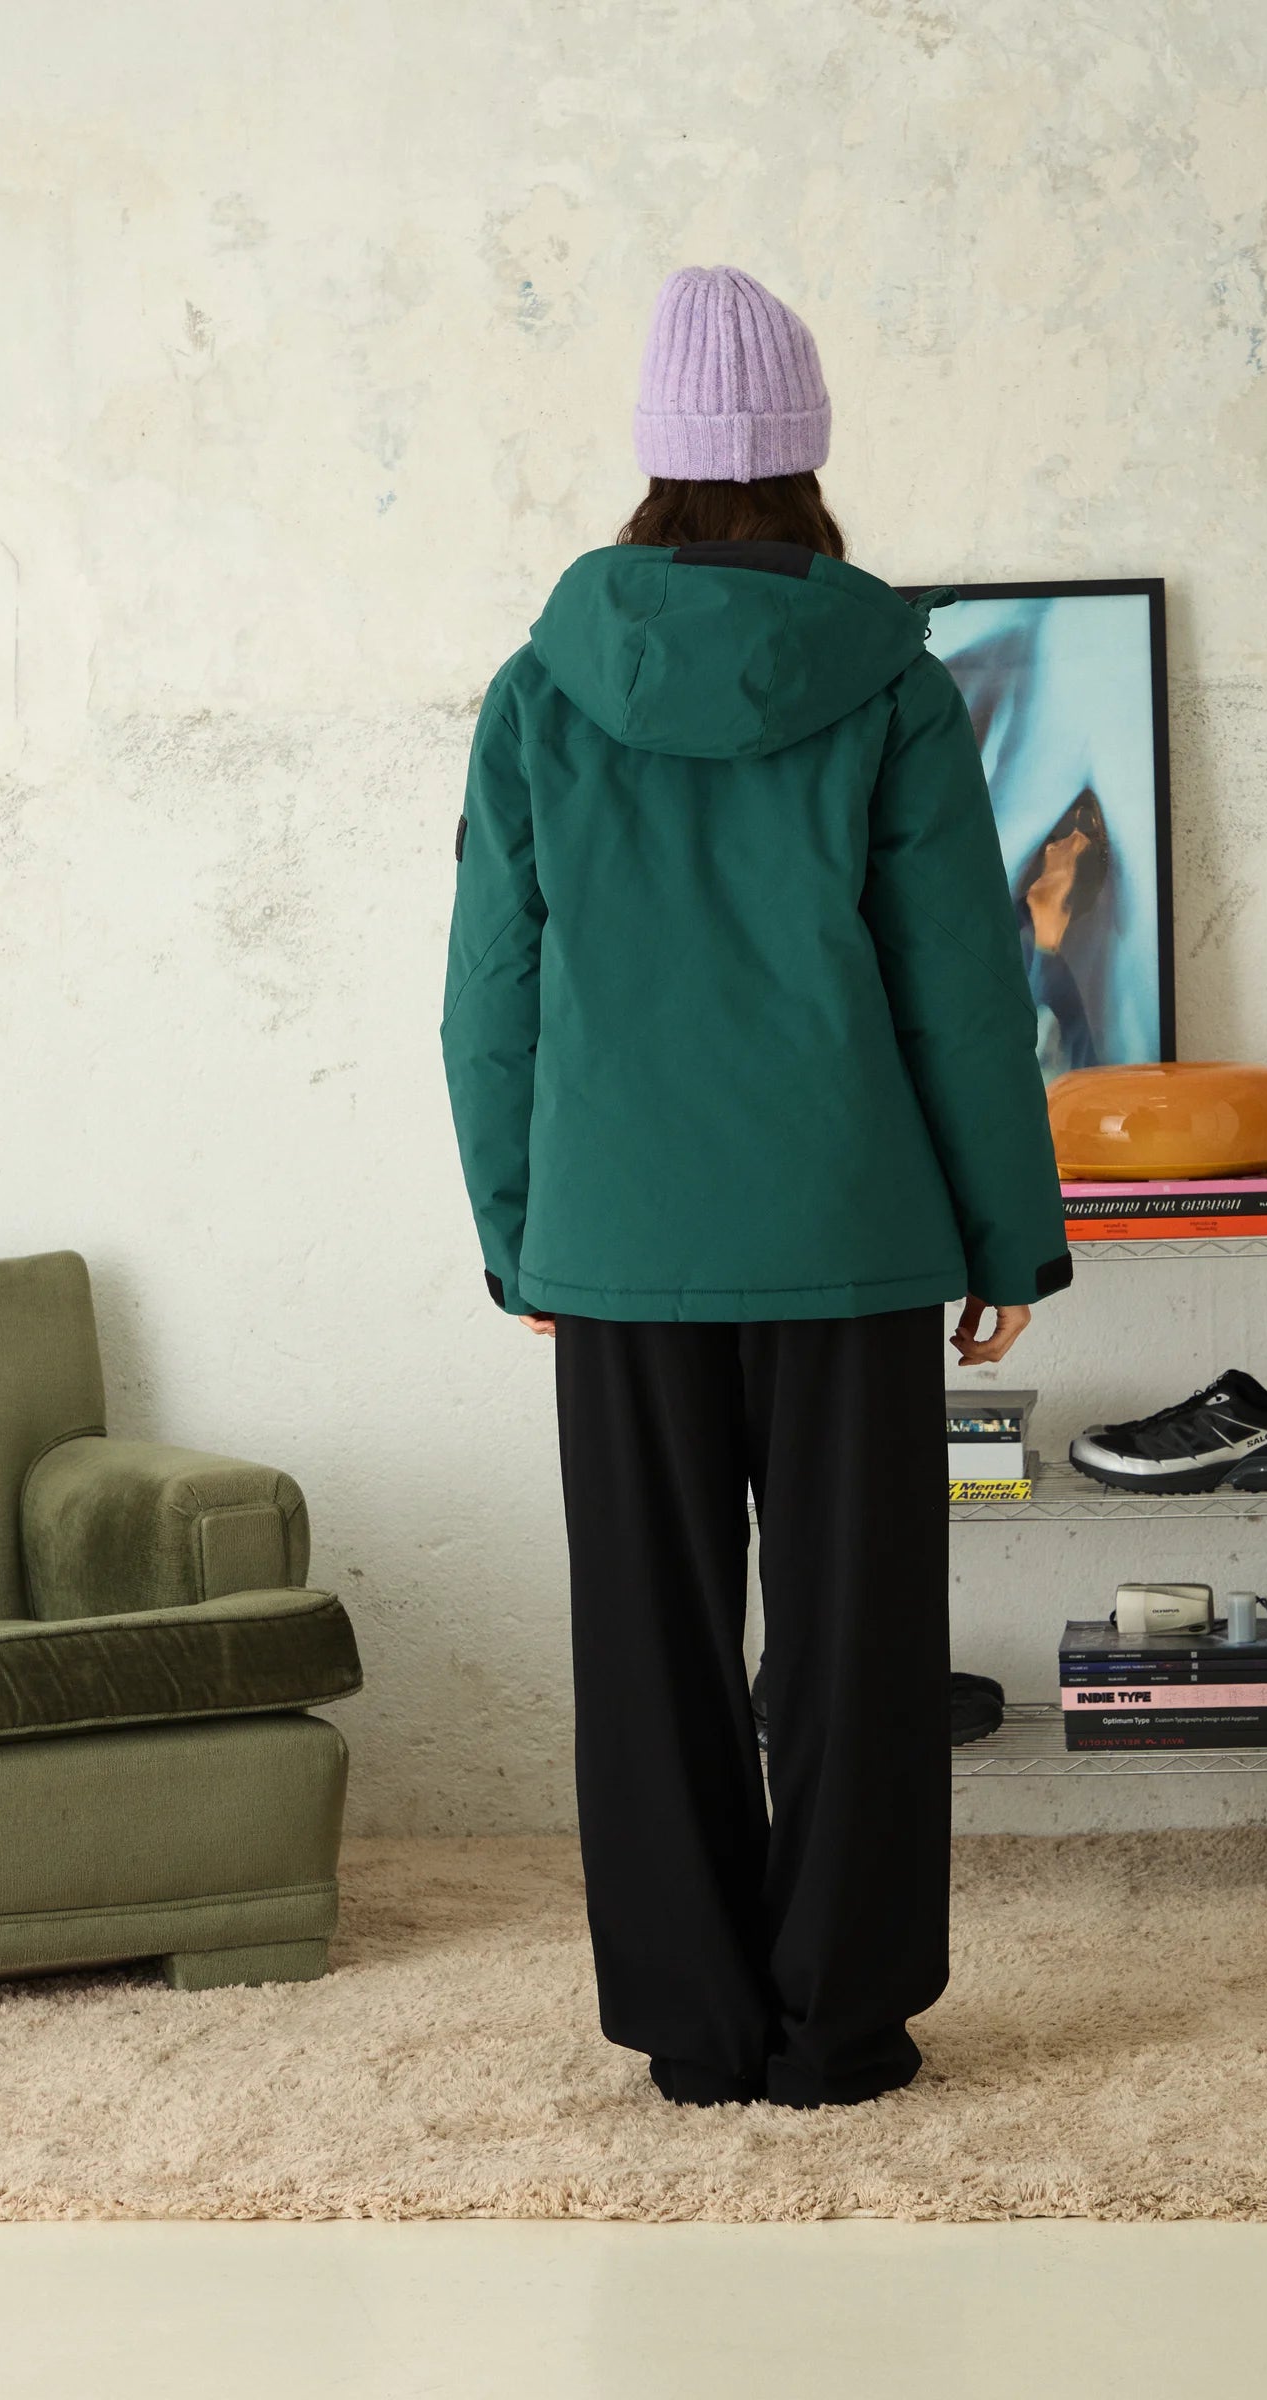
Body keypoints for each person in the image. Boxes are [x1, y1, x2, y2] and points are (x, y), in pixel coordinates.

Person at [441, 265, 1071, 2111]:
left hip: (620, 1246)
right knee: (857, 1642)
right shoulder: (894, 685)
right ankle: (840, 2026)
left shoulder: (540, 690)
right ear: (805, 453)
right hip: (849, 1238)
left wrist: (521, 1235)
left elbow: (492, 991)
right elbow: (963, 984)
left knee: (648, 1643)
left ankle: (696, 2029)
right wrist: (1005, 1230)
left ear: (653, 453)